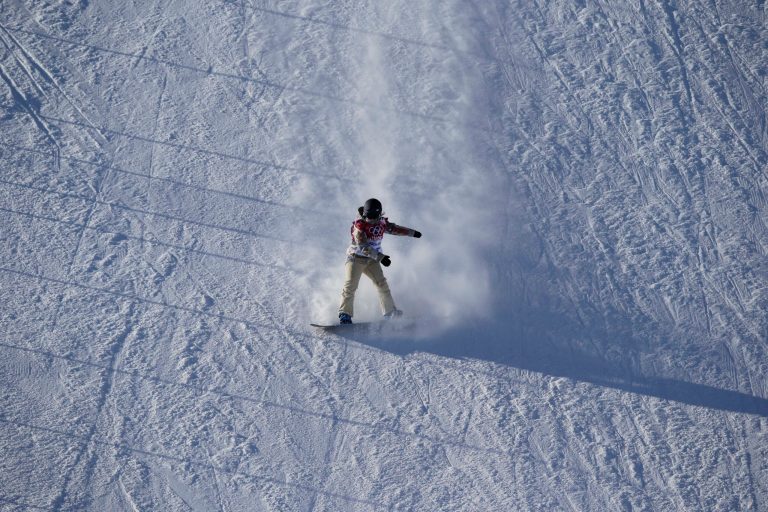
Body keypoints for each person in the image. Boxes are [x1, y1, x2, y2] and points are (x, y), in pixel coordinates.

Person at [338, 198, 421, 324]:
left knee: (381, 284)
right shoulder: (359, 227)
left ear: (379, 214)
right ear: (365, 214)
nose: (371, 219)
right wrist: (381, 257)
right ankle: (345, 314)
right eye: (368, 216)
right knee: (350, 285)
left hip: (372, 260)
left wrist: (412, 233)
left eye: (374, 216)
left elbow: (394, 229)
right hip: (356, 258)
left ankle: (389, 312)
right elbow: (363, 247)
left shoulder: (381, 223)